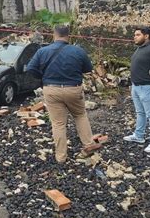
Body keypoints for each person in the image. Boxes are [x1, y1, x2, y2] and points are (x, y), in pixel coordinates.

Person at [27, 25, 101, 163]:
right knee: (80, 115)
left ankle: (61, 157)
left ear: (54, 35)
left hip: (51, 89)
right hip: (73, 88)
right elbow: (87, 69)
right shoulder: (78, 51)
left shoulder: (42, 51)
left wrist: (42, 78)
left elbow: (30, 68)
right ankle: (88, 145)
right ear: (69, 35)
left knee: (58, 124)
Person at [123, 27, 150, 153]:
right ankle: (139, 136)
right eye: (134, 35)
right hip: (137, 86)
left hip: (147, 87)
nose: (134, 37)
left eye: (138, 35)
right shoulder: (140, 48)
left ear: (146, 36)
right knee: (140, 113)